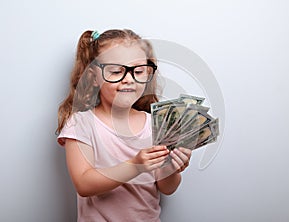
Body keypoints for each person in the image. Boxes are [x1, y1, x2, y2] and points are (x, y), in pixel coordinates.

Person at [56, 29, 192, 222]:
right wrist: (136, 166)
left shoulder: (156, 123)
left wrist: (172, 167)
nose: (129, 79)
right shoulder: (81, 124)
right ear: (94, 76)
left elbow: (167, 188)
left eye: (137, 71)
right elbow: (84, 184)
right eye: (116, 71)